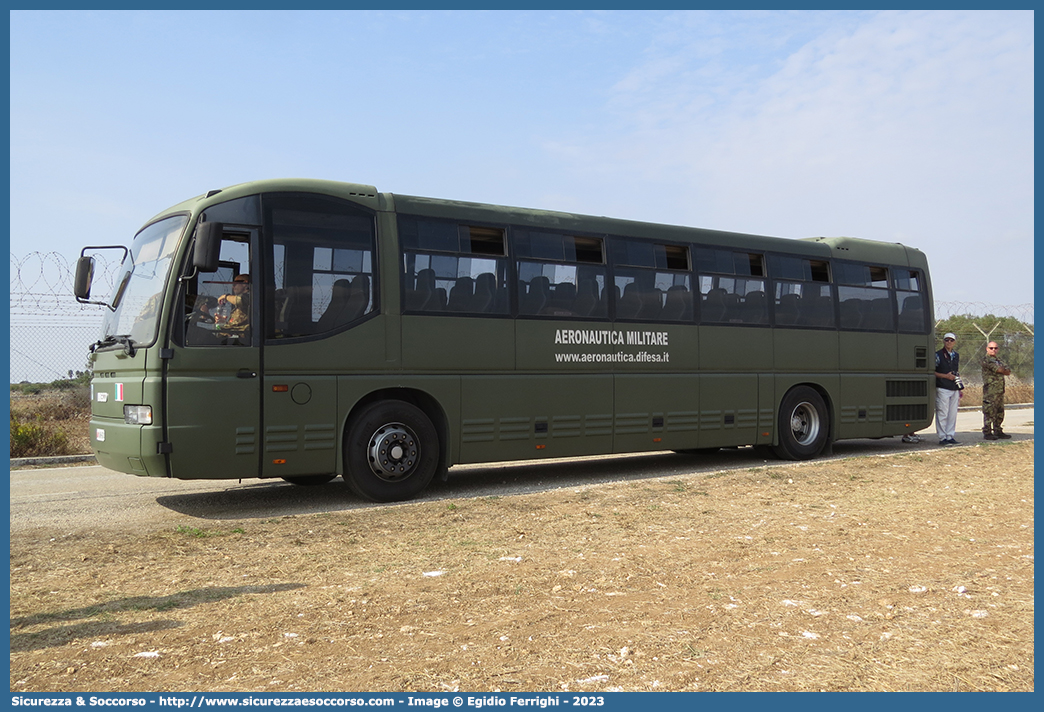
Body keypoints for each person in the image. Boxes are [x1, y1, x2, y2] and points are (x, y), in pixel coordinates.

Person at [981, 341, 1012, 440]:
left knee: (999, 411)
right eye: (991, 348)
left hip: (999, 389)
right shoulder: (986, 360)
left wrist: (1003, 369)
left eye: (995, 348)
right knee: (989, 411)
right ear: (987, 349)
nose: (993, 350)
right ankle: (987, 432)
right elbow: (999, 370)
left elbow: (1008, 371)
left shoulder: (999, 359)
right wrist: (1002, 369)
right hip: (990, 390)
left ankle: (998, 430)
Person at [934, 332, 961, 445]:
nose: (949, 342)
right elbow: (933, 372)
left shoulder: (956, 355)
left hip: (953, 387)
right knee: (942, 412)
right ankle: (942, 437)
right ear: (943, 341)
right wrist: (945, 376)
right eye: (947, 340)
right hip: (943, 387)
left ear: (954, 342)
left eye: (951, 340)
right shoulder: (938, 355)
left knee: (952, 413)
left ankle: (950, 435)